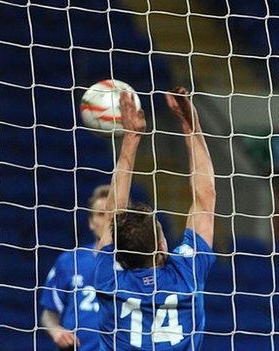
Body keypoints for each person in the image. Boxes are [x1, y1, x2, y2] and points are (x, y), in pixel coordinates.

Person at [94, 87, 216, 350]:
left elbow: (113, 213)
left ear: (119, 253)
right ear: (162, 246)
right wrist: (190, 124)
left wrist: (131, 136)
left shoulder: (108, 280)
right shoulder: (187, 274)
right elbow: (205, 197)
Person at [40, 185, 109, 350]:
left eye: (113, 213)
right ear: (91, 222)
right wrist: (56, 331)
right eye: (101, 214)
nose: (108, 219)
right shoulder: (70, 261)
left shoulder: (137, 263)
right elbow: (48, 314)